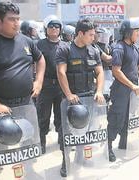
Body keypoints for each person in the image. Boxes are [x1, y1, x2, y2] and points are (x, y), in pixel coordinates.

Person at [0, 2, 45, 176]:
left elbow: (40, 59)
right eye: (11, 19)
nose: (16, 23)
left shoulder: (26, 41)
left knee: (27, 142)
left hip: (26, 104)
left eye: (18, 19)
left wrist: (39, 81)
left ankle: (27, 173)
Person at [56, 19, 104, 177]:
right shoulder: (65, 49)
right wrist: (69, 94)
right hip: (71, 100)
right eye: (90, 35)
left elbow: (100, 72)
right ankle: (65, 160)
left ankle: (80, 156)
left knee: (87, 130)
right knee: (67, 132)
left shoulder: (94, 51)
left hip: (89, 97)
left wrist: (99, 90)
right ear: (80, 33)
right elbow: (61, 72)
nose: (93, 37)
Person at [107, 19, 139, 162]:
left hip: (133, 90)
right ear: (128, 33)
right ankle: (108, 147)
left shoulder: (134, 48)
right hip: (121, 91)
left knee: (130, 117)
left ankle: (123, 143)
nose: (138, 34)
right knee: (116, 119)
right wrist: (132, 86)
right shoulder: (119, 48)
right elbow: (116, 71)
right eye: (136, 32)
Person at [36, 15, 67, 154]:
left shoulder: (66, 45)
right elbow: (33, 64)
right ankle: (41, 143)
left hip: (61, 87)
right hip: (46, 86)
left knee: (61, 116)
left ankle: (62, 141)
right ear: (46, 28)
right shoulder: (39, 44)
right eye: (51, 26)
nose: (54, 28)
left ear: (60, 29)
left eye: (57, 26)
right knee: (43, 116)